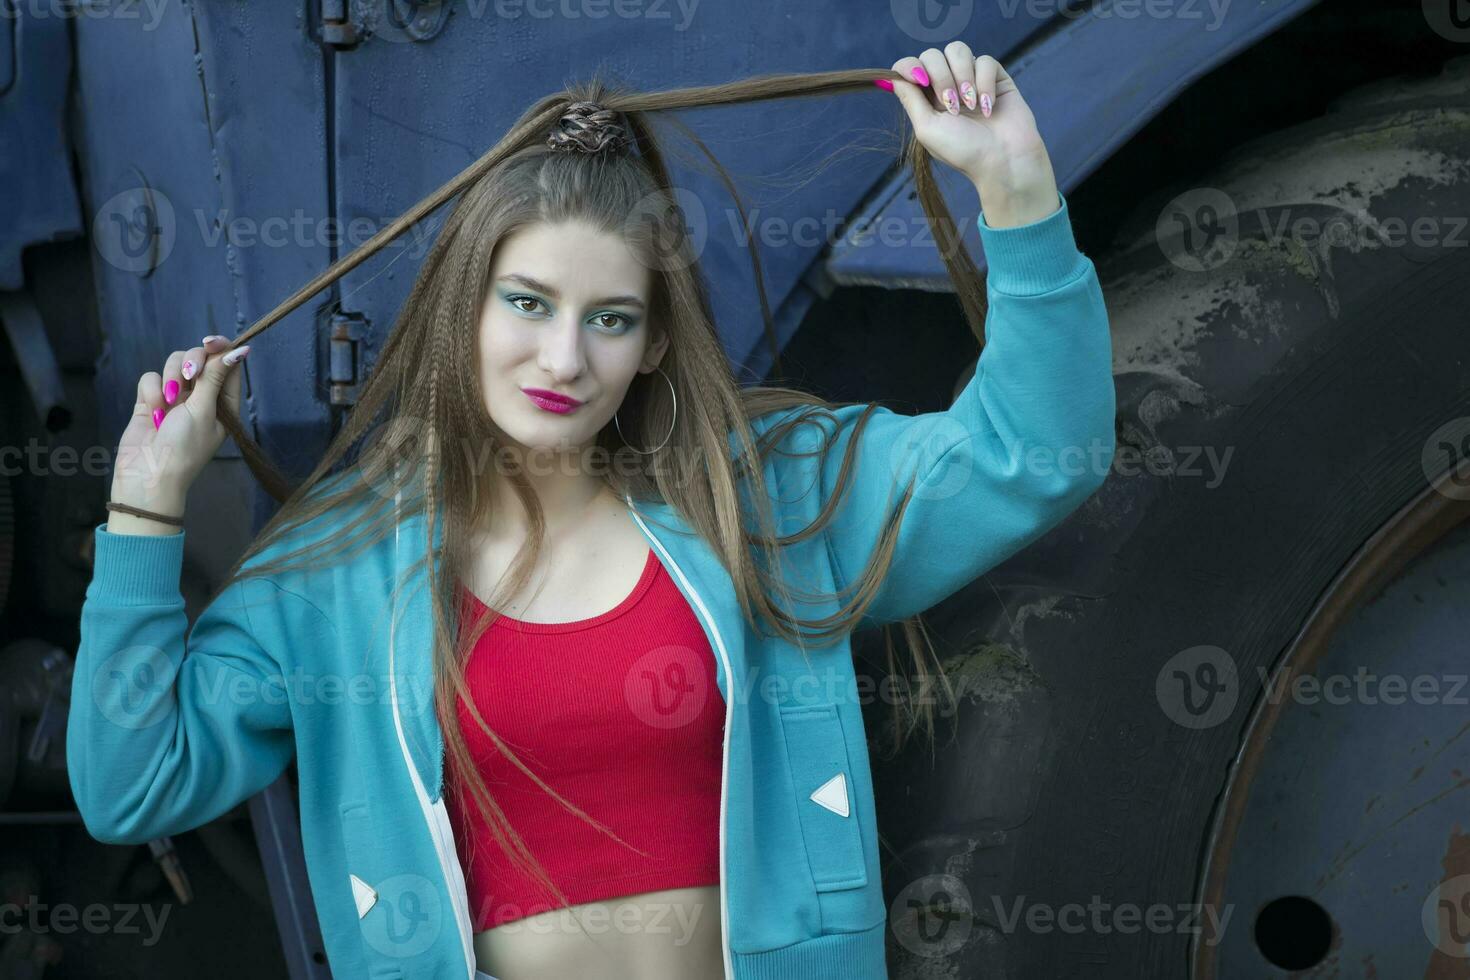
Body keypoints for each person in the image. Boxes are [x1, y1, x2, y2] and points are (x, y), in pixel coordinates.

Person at [68, 42, 1116, 980]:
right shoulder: (336, 568)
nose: (564, 358)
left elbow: (1034, 454)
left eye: (610, 319)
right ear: (463, 306)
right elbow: (134, 784)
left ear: (655, 341)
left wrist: (1017, 189)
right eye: (527, 303)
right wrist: (147, 502)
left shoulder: (762, 496)